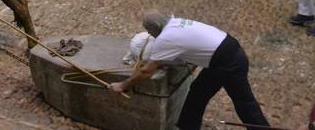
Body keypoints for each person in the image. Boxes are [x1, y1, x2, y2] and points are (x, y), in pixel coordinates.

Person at [108, 10, 270, 130]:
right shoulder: (175, 22)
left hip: (227, 62)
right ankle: (186, 126)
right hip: (228, 51)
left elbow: (146, 72)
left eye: (149, 30)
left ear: (156, 28)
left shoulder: (165, 39)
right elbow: (189, 48)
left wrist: (123, 85)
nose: (149, 34)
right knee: (198, 92)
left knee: (243, 101)